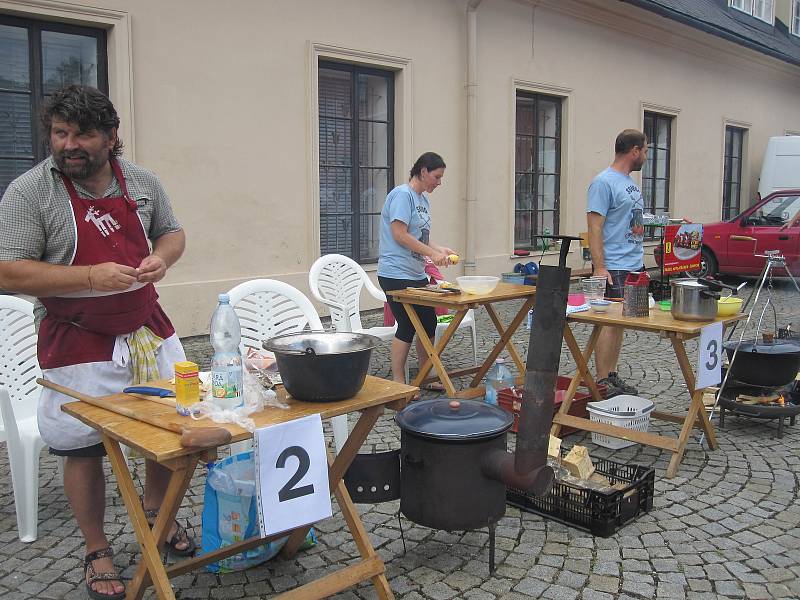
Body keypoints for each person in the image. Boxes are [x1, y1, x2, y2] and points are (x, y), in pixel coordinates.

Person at [0, 85, 193, 600]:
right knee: (81, 448)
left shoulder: (144, 183)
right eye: (60, 133)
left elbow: (172, 232)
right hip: (77, 339)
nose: (69, 145)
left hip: (148, 330)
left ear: (111, 137)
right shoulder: (28, 192)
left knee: (166, 432)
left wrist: (163, 259)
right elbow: (9, 272)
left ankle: (158, 516)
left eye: (83, 134)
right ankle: (95, 546)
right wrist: (87, 278)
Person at [378, 152, 457, 389]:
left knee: (428, 323)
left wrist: (438, 248)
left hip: (415, 273)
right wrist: (432, 255)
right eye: (437, 177)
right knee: (407, 323)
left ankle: (425, 377)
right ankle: (399, 382)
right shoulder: (403, 195)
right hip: (394, 273)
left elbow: (421, 237)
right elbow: (399, 234)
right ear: (423, 172)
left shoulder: (423, 200)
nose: (439, 183)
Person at [586, 129, 648, 398]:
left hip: (635, 262)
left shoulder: (629, 182)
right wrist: (601, 268)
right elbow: (594, 227)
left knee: (623, 321)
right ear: (634, 151)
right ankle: (601, 380)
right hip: (614, 265)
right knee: (608, 322)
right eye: (645, 150)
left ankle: (612, 374)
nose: (646, 156)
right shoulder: (603, 182)